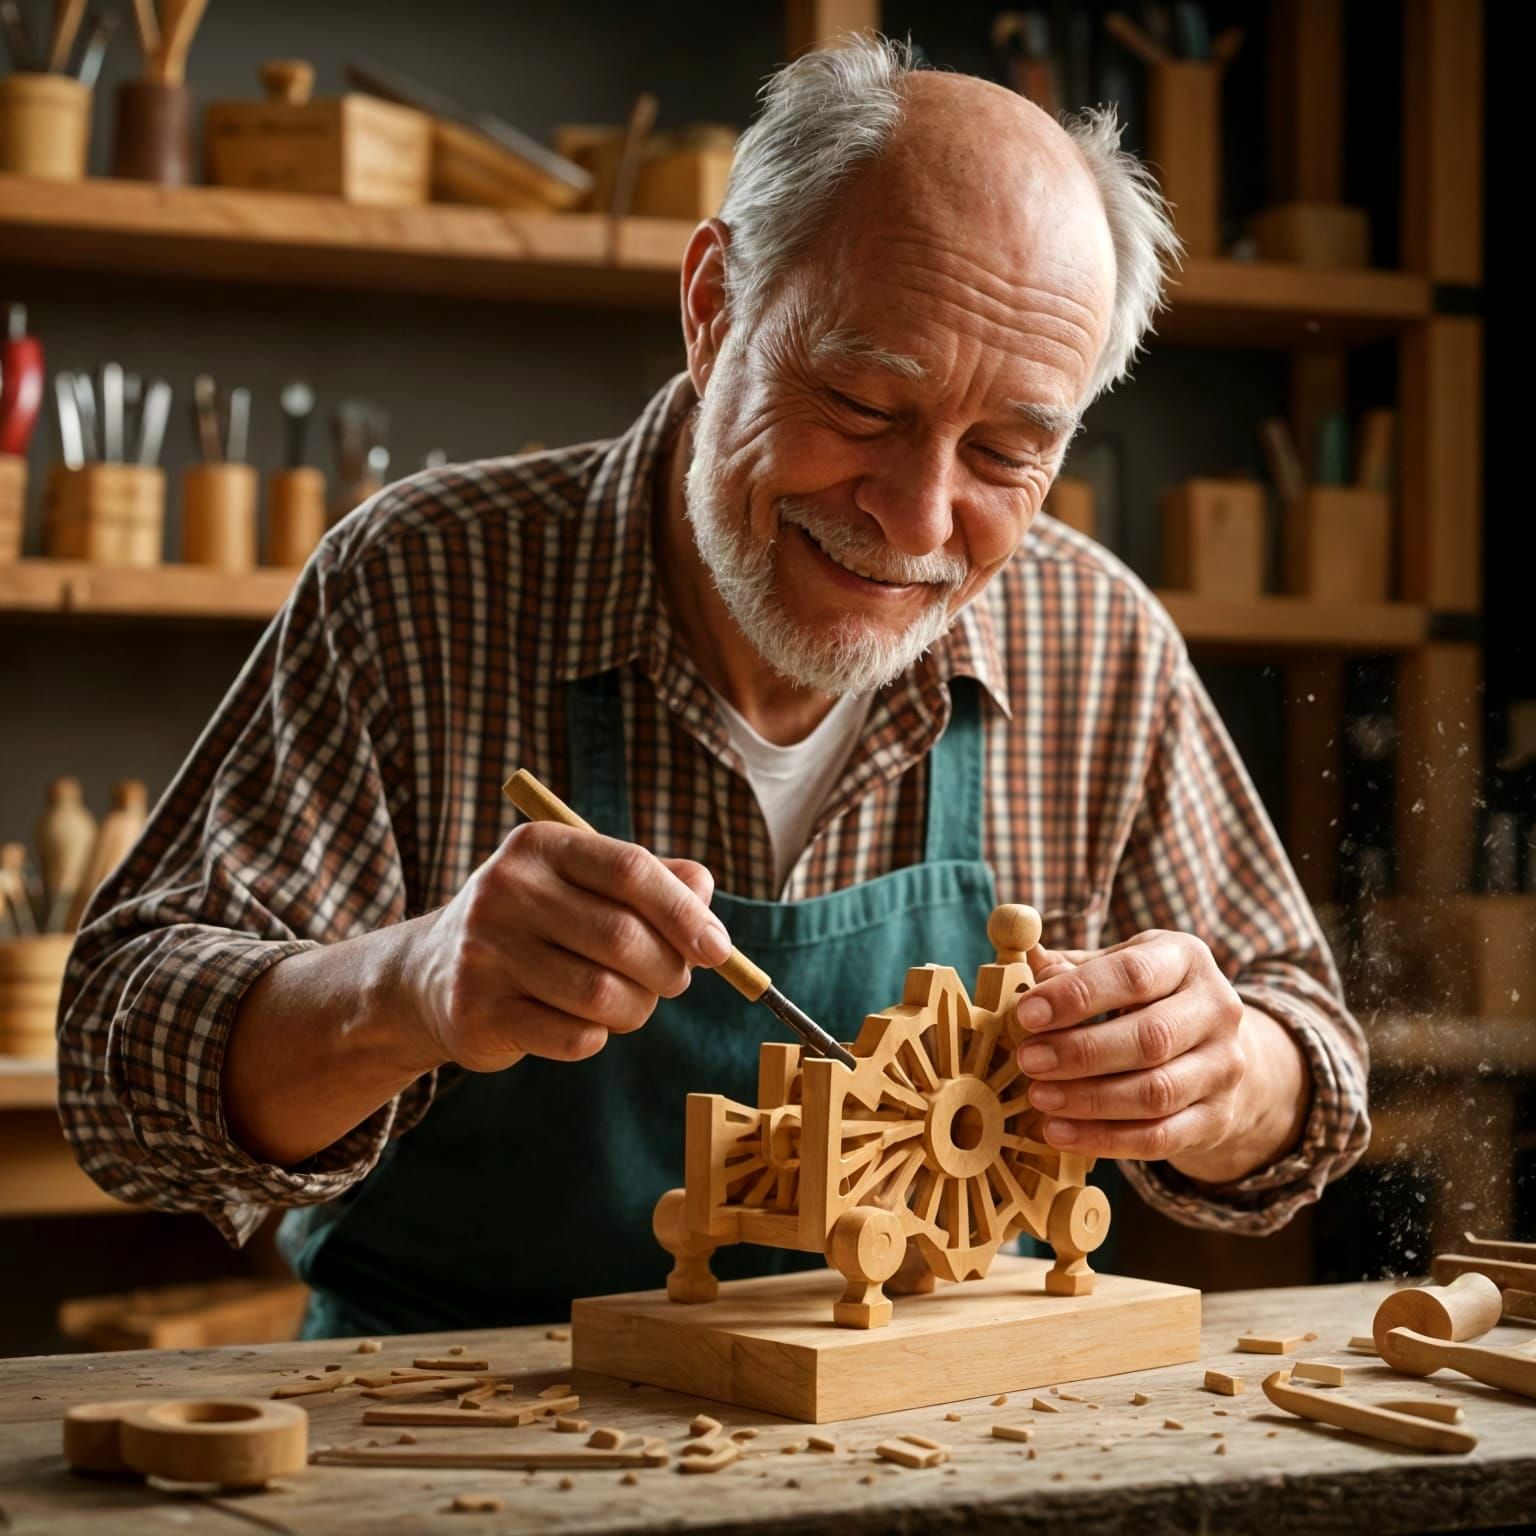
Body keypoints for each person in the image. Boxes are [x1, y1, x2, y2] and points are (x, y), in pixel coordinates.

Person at [59, 38, 1368, 1336]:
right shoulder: (419, 583)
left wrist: (1223, 1070)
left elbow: (1311, 1073)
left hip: (939, 1435)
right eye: (862, 405)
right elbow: (122, 1077)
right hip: (475, 1443)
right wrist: (402, 992)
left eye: (1008, 453)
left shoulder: (1095, 641)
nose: (918, 521)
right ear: (712, 307)